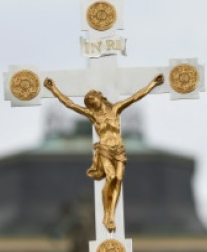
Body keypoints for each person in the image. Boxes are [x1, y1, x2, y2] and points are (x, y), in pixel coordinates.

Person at [43, 74, 164, 233]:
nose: (90, 102)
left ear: (99, 98)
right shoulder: (93, 115)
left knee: (118, 180)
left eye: (91, 99)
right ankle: (107, 216)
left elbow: (136, 97)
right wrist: (53, 89)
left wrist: (153, 84)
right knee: (111, 177)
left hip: (119, 150)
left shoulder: (116, 109)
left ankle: (111, 212)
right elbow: (70, 104)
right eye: (88, 102)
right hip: (105, 150)